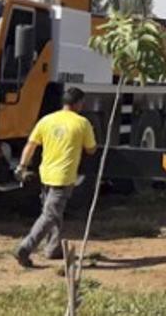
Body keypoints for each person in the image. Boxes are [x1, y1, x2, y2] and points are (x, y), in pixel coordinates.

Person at [13, 87, 97, 267]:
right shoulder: (82, 123)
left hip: (46, 175)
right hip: (64, 177)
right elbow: (91, 149)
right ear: (78, 104)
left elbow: (31, 144)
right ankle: (25, 248)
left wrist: (22, 166)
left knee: (54, 212)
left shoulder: (47, 120)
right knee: (50, 215)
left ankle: (53, 248)